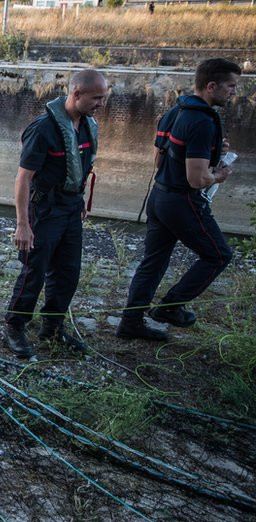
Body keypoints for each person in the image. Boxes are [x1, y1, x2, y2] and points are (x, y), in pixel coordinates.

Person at [116, 59, 239, 342]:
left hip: (159, 196)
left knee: (154, 261)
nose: (233, 92)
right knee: (219, 255)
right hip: (182, 201)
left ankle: (130, 323)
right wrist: (218, 174)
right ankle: (171, 308)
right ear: (211, 86)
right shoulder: (201, 121)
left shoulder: (175, 110)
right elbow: (197, 180)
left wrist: (211, 152)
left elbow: (160, 158)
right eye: (230, 86)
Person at [3, 70, 108, 358]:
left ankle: (52, 328)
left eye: (103, 97)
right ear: (76, 94)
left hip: (71, 208)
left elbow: (80, 169)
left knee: (68, 272)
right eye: (96, 97)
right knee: (34, 271)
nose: (101, 103)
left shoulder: (86, 125)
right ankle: (14, 325)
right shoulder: (44, 128)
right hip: (45, 210)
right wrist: (23, 224)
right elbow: (23, 178)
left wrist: (80, 203)